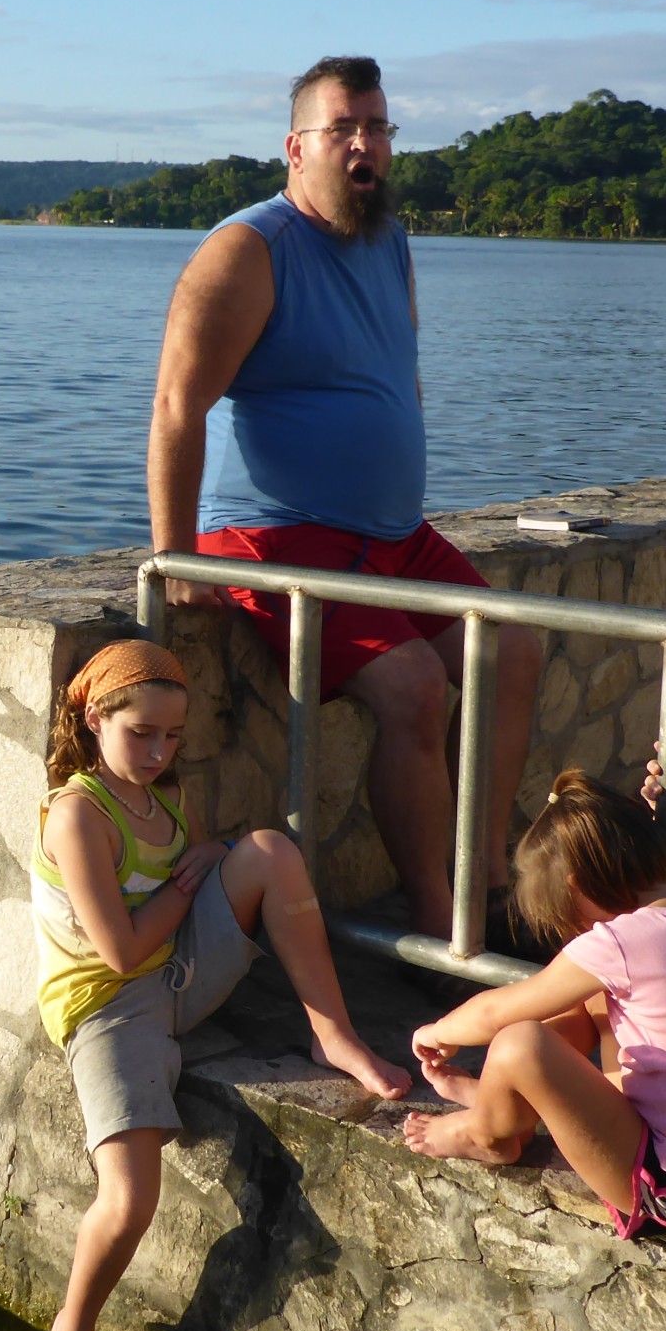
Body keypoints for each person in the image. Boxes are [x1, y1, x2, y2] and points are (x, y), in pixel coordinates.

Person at [147, 54, 545, 952]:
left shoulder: (388, 239)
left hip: (396, 536)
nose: (365, 146)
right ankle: (435, 929)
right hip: (275, 537)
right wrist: (176, 557)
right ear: (296, 147)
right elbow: (177, 403)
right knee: (408, 689)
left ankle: (485, 887)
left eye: (378, 129)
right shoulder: (250, 249)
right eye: (344, 130)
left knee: (511, 652)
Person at [24, 639, 410, 1331]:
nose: (160, 751)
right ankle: (70, 1330)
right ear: (95, 717)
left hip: (173, 972)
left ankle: (329, 1029)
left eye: (174, 737)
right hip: (107, 1004)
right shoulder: (78, 814)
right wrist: (196, 869)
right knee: (131, 1199)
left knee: (269, 850)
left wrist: (208, 852)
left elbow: (177, 893)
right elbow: (124, 946)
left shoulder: (162, 790)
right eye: (142, 735)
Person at [397, 763, 666, 1239]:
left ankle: (487, 1134)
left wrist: (436, 1031)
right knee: (593, 999)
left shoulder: (621, 943)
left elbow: (493, 1012)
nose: (575, 931)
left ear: (576, 888)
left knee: (520, 1043)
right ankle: (506, 1107)